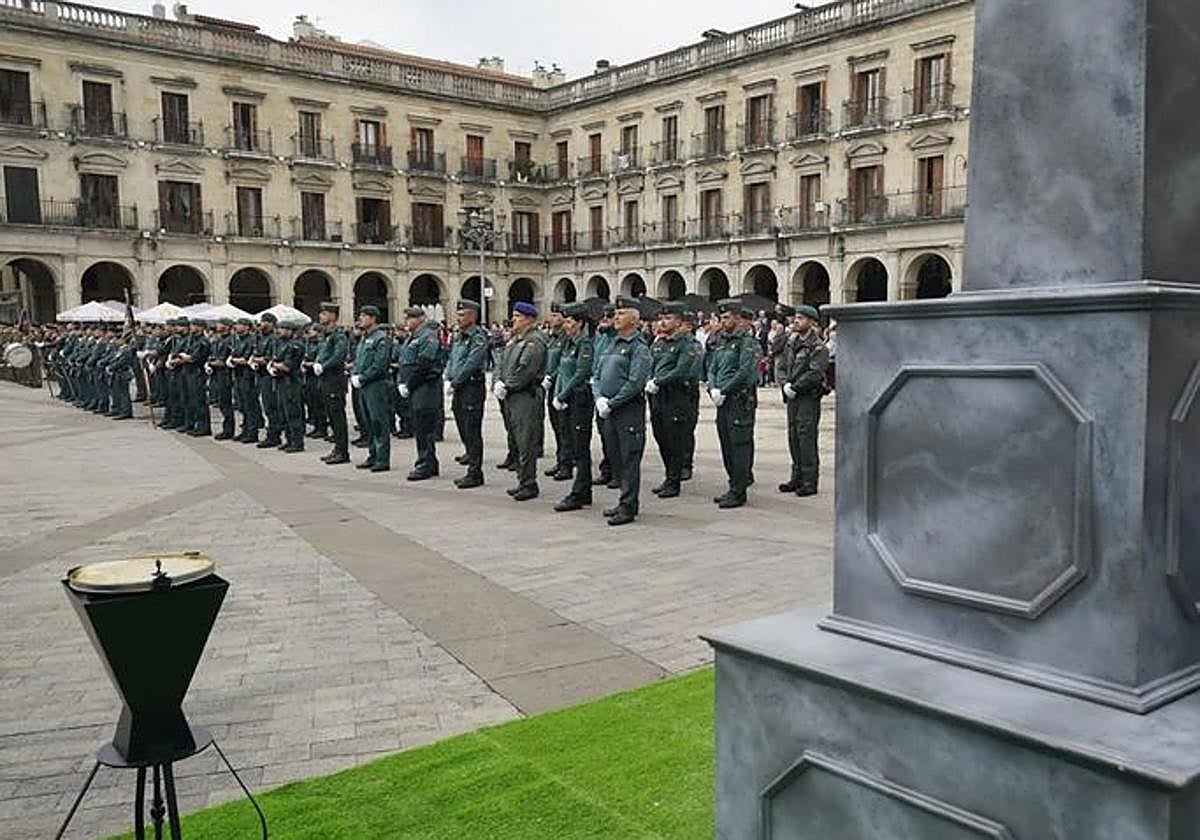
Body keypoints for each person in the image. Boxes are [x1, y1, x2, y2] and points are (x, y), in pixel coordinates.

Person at [592, 296, 652, 526]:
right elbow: (597, 375)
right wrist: (599, 398)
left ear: (634, 320)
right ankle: (622, 500)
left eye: (621, 314)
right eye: (615, 314)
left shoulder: (639, 348)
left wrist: (613, 402)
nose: (615, 317)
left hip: (628, 411)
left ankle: (628, 505)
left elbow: (635, 382)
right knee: (616, 456)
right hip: (608, 409)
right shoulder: (611, 344)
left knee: (629, 459)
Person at [708, 300, 762, 509]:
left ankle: (739, 490)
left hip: (739, 401)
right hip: (722, 401)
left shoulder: (748, 343)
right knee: (726, 444)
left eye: (726, 317)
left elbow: (745, 373)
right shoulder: (722, 342)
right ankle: (733, 485)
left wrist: (724, 389)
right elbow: (712, 367)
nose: (722, 321)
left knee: (739, 446)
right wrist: (713, 387)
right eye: (721, 318)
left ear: (738, 319)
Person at [493, 301, 547, 501]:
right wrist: (499, 381)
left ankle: (529, 483)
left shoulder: (534, 341)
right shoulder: (517, 340)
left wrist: (508, 385)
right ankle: (522, 480)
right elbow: (502, 363)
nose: (513, 319)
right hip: (513, 395)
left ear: (529, 319)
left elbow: (526, 370)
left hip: (526, 395)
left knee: (526, 441)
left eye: (517, 316)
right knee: (516, 438)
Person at [646, 302, 699, 499]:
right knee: (662, 438)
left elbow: (681, 370)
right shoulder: (659, 343)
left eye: (668, 318)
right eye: (662, 318)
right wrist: (649, 380)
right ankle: (669, 476)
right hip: (658, 397)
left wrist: (659, 381)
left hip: (677, 397)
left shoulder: (686, 344)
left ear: (678, 322)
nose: (663, 322)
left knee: (675, 440)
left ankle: (674, 481)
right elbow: (650, 364)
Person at [778, 306, 830, 496]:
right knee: (793, 436)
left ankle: (809, 481)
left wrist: (795, 386)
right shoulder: (791, 343)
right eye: (796, 318)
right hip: (792, 396)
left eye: (800, 318)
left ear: (812, 322)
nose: (796, 321)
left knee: (806, 437)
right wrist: (784, 384)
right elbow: (781, 365)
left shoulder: (818, 347)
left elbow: (815, 372)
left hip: (807, 397)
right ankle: (797, 476)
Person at [552, 302, 595, 512]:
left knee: (580, 448)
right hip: (566, 400)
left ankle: (580, 491)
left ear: (580, 323)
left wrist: (562, 393)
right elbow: (562, 370)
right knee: (571, 444)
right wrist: (558, 394)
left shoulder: (584, 345)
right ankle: (582, 490)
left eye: (569, 321)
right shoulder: (568, 344)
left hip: (579, 400)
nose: (566, 325)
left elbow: (580, 374)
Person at [445, 299, 489, 489]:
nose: (459, 318)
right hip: (459, 388)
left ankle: (475, 472)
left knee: (472, 429)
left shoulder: (477, 337)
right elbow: (452, 359)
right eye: (458, 314)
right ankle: (470, 457)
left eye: (463, 315)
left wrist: (455, 381)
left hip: (471, 387)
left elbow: (471, 363)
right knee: (463, 425)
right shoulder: (459, 336)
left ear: (473, 316)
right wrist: (448, 376)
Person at [397, 306, 444, 481]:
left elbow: (425, 364)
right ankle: (428, 462)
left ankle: (425, 464)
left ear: (421, 318)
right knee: (420, 427)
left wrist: (410, 384)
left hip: (425, 387)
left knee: (424, 428)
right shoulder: (414, 336)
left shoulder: (427, 336)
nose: (407, 322)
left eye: (411, 318)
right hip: (417, 387)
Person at [350, 305, 393, 472]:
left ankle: (382, 458)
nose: (360, 319)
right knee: (367, 421)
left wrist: (362, 377)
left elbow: (380, 364)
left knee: (378, 422)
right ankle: (372, 454)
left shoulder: (381, 338)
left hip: (376, 385)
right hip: (364, 385)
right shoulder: (365, 337)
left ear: (373, 318)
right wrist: (356, 372)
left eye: (364, 316)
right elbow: (361, 361)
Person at [313, 302, 350, 465]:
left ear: (333, 316)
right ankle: (337, 448)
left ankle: (342, 452)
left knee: (338, 417)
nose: (320, 316)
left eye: (324, 313)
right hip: (326, 380)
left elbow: (339, 355)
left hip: (335, 380)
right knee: (332, 417)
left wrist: (324, 365)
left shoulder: (338, 334)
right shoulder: (327, 334)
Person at [543, 304, 573, 481]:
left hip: (560, 385)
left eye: (556, 315)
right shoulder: (552, 338)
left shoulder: (565, 338)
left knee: (564, 427)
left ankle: (566, 462)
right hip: (551, 386)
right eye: (551, 314)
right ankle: (561, 459)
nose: (552, 318)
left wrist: (551, 377)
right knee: (556, 425)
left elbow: (562, 364)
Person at [591, 305, 618, 488]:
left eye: (610, 317)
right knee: (604, 433)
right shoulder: (601, 339)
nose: (605, 321)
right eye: (603, 317)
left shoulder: (619, 339)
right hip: (600, 392)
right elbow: (596, 362)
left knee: (616, 436)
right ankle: (607, 468)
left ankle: (618, 471)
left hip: (615, 394)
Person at [252, 313, 282, 448]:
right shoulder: (259, 338)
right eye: (262, 321)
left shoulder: (273, 339)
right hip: (261, 374)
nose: (262, 324)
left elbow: (269, 358)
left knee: (271, 406)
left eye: (265, 322)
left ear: (271, 324)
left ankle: (274, 436)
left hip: (270, 376)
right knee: (266, 405)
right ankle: (272, 434)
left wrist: (257, 360)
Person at [180, 317, 211, 436]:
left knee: (199, 401)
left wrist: (186, 357)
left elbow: (195, 357)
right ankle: (196, 424)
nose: (191, 327)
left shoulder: (203, 341)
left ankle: (204, 427)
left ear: (200, 327)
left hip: (197, 373)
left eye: (193, 325)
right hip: (189, 372)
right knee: (191, 401)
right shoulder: (191, 340)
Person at [208, 318, 236, 440]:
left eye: (220, 324)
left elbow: (224, 360)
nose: (218, 326)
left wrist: (214, 362)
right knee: (221, 403)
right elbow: (213, 355)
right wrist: (210, 362)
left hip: (225, 375)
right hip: (216, 374)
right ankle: (226, 428)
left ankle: (228, 430)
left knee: (226, 403)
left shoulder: (230, 340)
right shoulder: (217, 340)